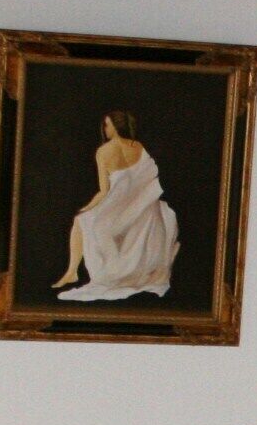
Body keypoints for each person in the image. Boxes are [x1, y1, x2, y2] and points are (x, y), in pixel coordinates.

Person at [54, 110, 181, 302]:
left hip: (123, 206)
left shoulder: (103, 151)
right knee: (89, 221)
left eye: (107, 124)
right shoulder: (138, 146)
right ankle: (73, 272)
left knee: (81, 220)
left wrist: (86, 208)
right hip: (141, 206)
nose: (105, 128)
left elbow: (103, 191)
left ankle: (72, 271)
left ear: (115, 126)